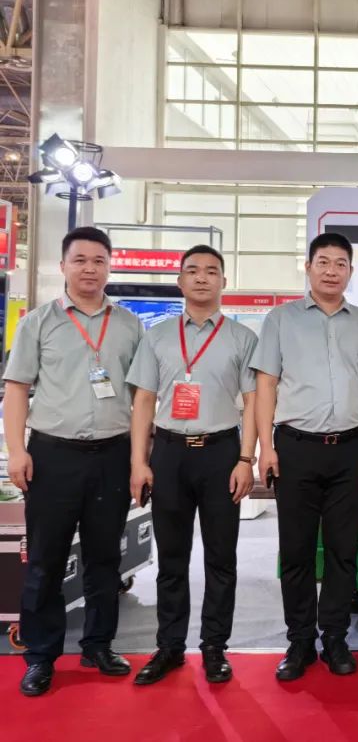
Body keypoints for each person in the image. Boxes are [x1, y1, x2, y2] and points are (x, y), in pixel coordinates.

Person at [3, 227, 144, 698]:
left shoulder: (129, 325)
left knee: (105, 557)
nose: (89, 269)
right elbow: (17, 389)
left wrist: (139, 458)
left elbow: (142, 397)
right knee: (45, 559)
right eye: (80, 260)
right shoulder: (38, 322)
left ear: (110, 266)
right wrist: (17, 450)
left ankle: (98, 645)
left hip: (112, 455)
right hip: (53, 456)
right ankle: (41, 655)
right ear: (63, 265)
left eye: (99, 260)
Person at [251, 232, 358, 681]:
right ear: (308, 268)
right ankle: (300, 641)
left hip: (349, 449)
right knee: (297, 551)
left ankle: (336, 638)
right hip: (295, 448)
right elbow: (266, 385)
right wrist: (266, 447)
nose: (331, 271)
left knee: (343, 550)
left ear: (350, 271)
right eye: (323, 262)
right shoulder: (281, 320)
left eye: (340, 263)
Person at [126, 244, 258, 685]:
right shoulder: (158, 337)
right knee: (172, 557)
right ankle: (169, 647)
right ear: (180, 281)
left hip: (221, 453)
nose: (202, 277)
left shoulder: (242, 338)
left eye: (212, 271)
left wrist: (247, 458)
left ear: (224, 282)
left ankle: (215, 648)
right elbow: (144, 401)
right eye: (193, 271)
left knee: (221, 557)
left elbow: (254, 403)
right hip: (169, 453)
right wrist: (139, 461)